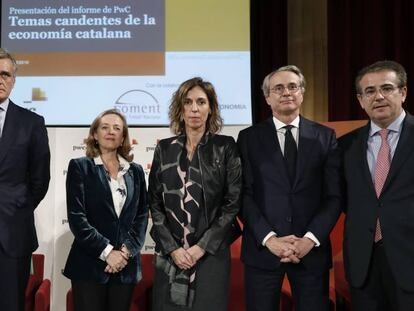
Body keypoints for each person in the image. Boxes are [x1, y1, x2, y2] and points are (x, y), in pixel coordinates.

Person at [237, 65, 341, 311]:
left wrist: (310, 239)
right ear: (267, 97)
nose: (286, 92)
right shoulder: (248, 138)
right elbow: (243, 195)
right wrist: (270, 239)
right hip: (263, 252)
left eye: (293, 86)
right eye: (278, 88)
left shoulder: (325, 137)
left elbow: (334, 196)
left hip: (310, 253)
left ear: (302, 93)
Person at [148, 77, 242, 311]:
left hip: (211, 253)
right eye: (188, 102)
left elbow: (232, 203)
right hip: (171, 255)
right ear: (180, 109)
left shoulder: (226, 146)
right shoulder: (164, 148)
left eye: (201, 102)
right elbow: (155, 203)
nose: (194, 108)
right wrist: (172, 248)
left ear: (211, 109)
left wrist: (201, 247)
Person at [339, 60, 414, 311]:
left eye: (387, 88)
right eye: (370, 91)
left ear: (403, 92)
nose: (379, 96)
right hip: (364, 265)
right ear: (360, 100)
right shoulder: (344, 146)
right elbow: (338, 199)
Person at [63, 109, 149, 311]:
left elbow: (142, 215)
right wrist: (108, 252)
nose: (111, 131)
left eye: (117, 128)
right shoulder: (80, 167)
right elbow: (77, 218)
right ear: (94, 134)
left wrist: (125, 253)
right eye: (105, 127)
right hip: (89, 266)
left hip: (125, 267)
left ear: (123, 138)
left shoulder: (135, 171)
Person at [0, 48, 50, 311]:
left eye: (5, 74)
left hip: (13, 234)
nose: (0, 79)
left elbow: (40, 178)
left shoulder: (31, 122)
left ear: (13, 80)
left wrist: (19, 206)